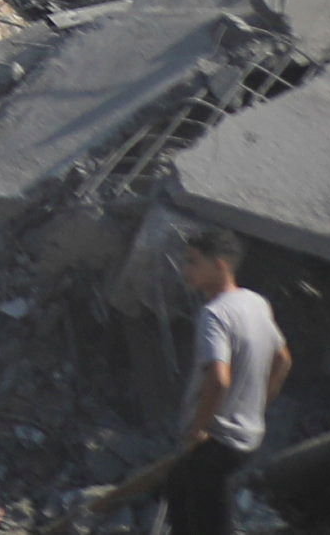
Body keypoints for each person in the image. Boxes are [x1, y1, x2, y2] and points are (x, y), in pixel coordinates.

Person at [106, 223, 280, 535]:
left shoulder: (213, 315)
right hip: (246, 436)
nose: (185, 269)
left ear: (219, 265)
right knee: (177, 491)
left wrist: (198, 430)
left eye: (192, 261)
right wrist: (259, 406)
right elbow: (283, 360)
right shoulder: (256, 303)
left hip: (217, 440)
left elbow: (219, 379)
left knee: (209, 521)